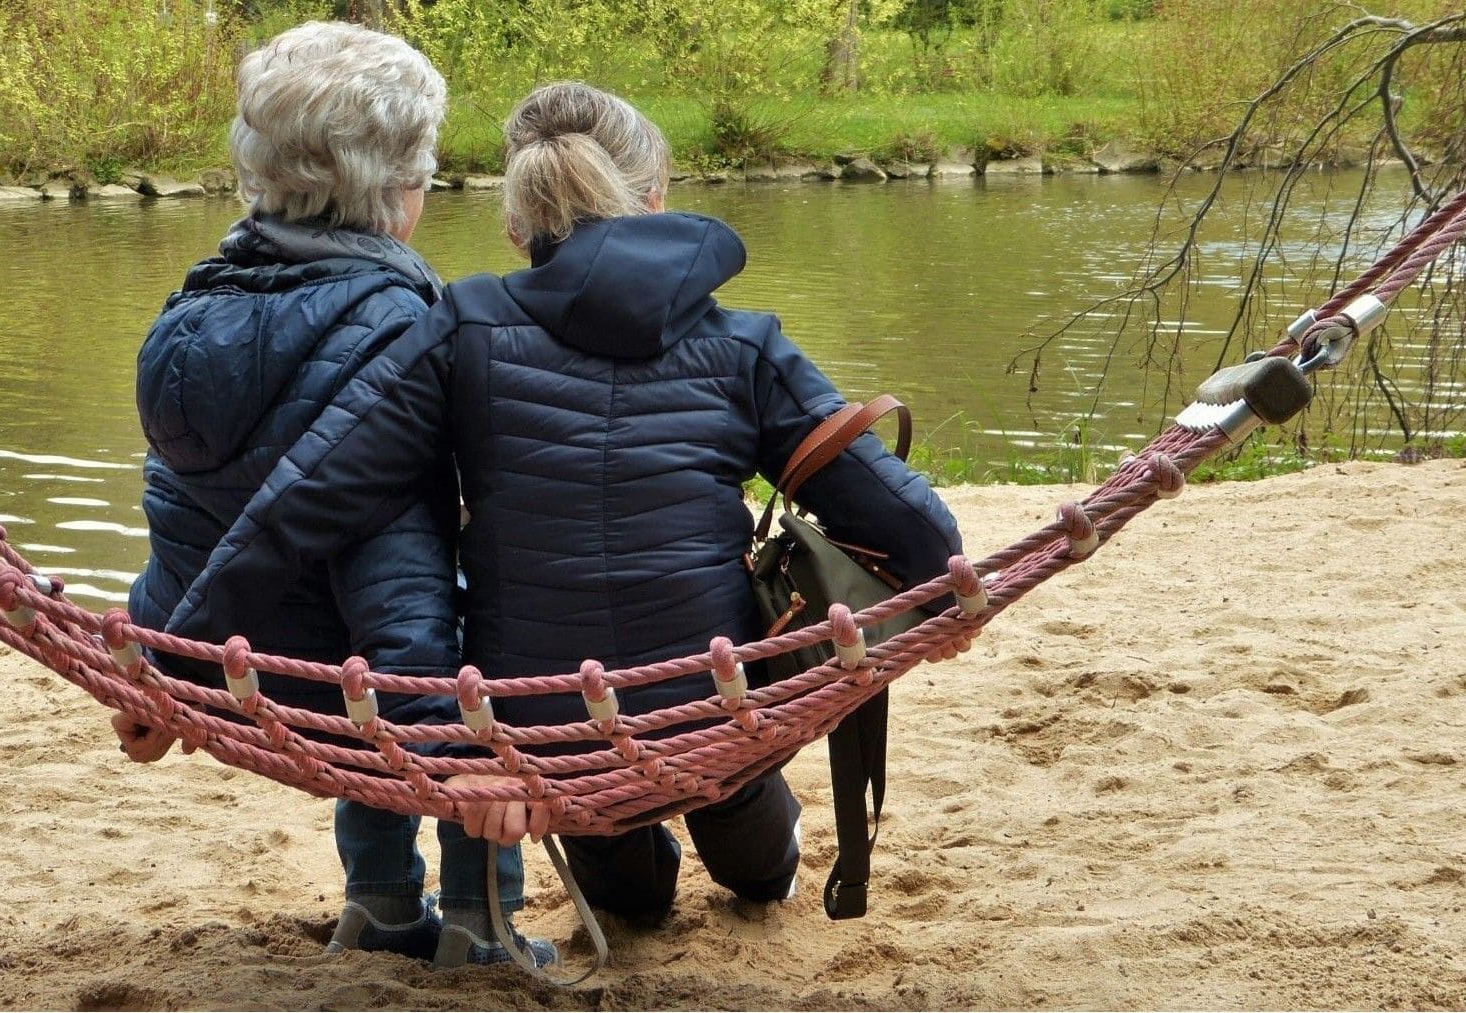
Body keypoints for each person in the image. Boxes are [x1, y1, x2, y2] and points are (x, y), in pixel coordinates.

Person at [166, 81, 963, 923]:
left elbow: (312, 497)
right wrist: (949, 591)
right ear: (655, 197)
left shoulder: (462, 325)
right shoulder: (745, 343)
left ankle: (642, 856)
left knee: (630, 900)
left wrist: (177, 659)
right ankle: (746, 834)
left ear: (518, 226)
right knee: (751, 844)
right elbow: (903, 517)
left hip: (546, 731)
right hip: (713, 701)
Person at [116, 21, 548, 969]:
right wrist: (451, 754)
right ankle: (483, 921)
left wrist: (159, 659)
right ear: (398, 190)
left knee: (365, 641)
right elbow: (402, 575)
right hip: (353, 678)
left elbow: (184, 512)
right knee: (496, 628)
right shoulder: (404, 327)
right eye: (424, 170)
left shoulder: (191, 309)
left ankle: (381, 901)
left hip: (229, 658)